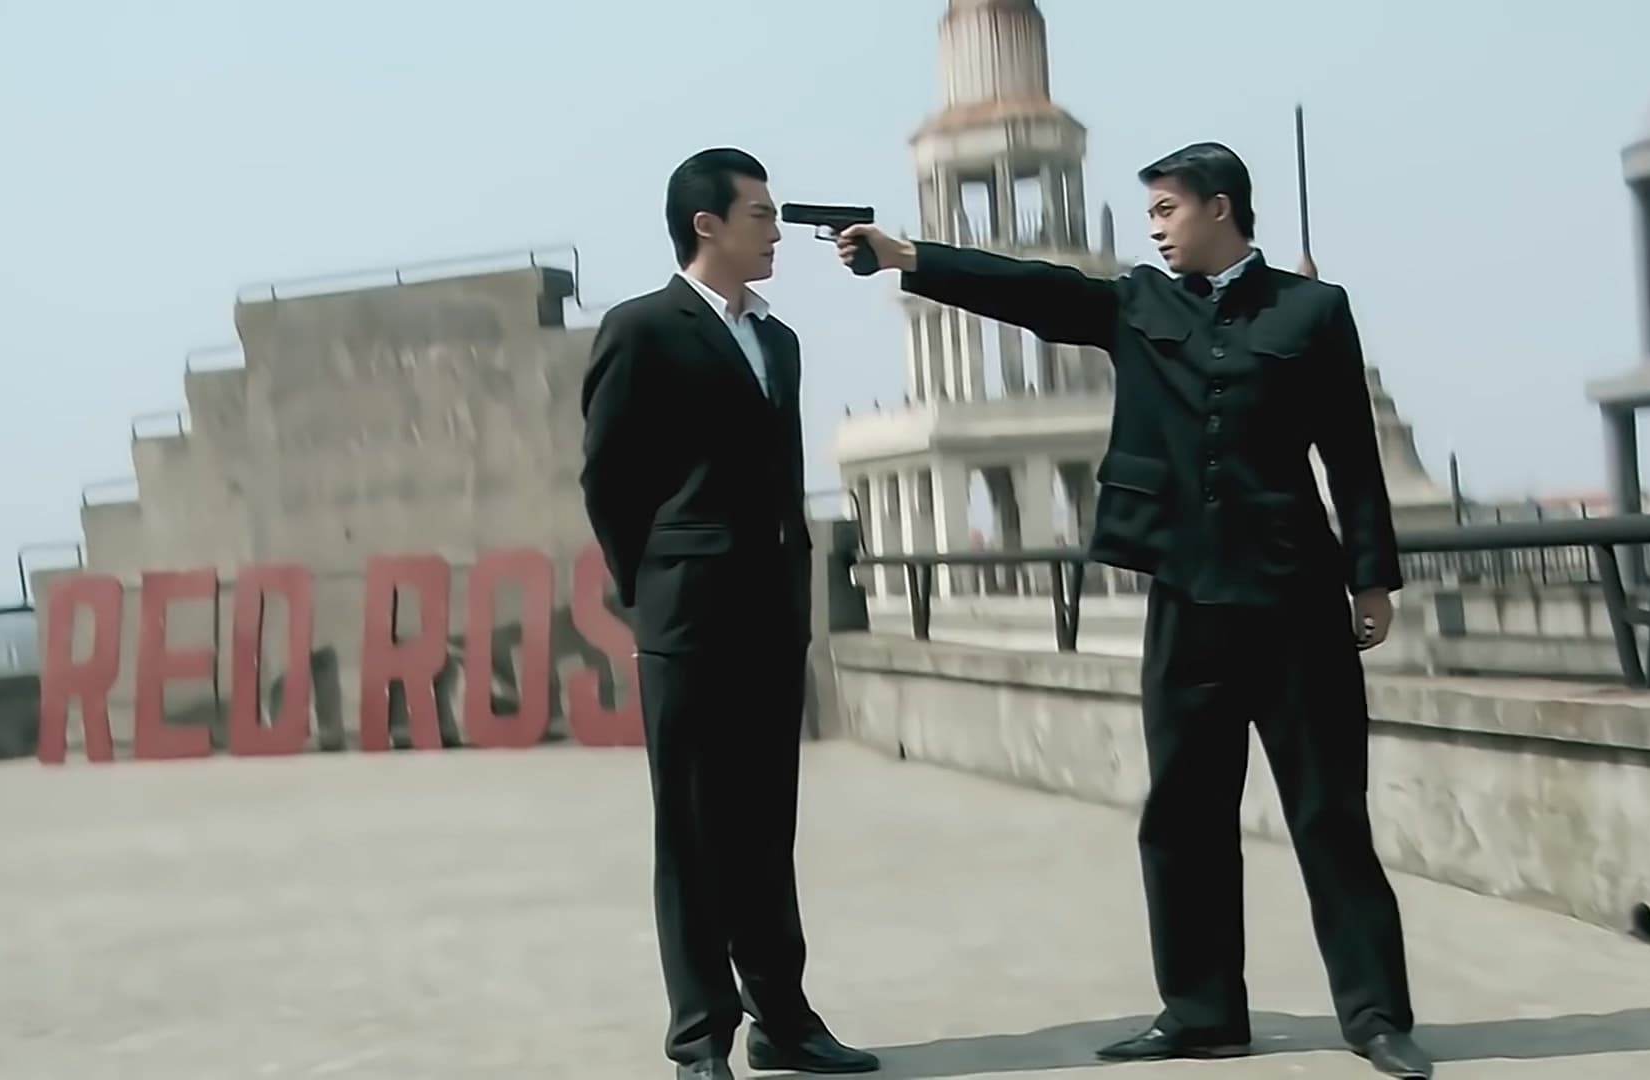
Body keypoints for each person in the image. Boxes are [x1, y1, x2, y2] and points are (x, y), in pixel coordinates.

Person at [833, 142, 1434, 1080]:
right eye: (1148, 212)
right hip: (1186, 600)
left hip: (1294, 603)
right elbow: (1033, 292)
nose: (1153, 227)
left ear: (1220, 207)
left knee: (1328, 815)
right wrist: (908, 256)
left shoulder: (1313, 311)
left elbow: (1352, 454)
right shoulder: (1139, 304)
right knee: (1184, 816)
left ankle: (1376, 1017)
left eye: (1165, 209)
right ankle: (1201, 1013)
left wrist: (1371, 581)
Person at [581, 147, 880, 1080]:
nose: (777, 231)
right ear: (706, 224)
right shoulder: (643, 329)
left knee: (764, 826)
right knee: (693, 832)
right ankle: (699, 1038)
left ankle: (782, 1018)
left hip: (770, 615)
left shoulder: (778, 341)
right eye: (761, 214)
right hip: (687, 617)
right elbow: (608, 479)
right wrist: (652, 587)